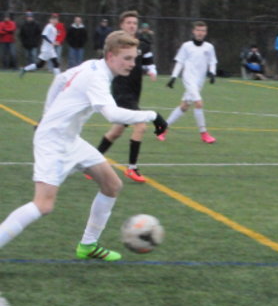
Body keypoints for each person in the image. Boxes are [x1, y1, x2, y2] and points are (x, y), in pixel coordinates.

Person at [0, 31, 167, 261]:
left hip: (70, 140)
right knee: (43, 205)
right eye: (127, 58)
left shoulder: (93, 65)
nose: (132, 64)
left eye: (134, 58)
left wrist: (46, 114)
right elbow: (112, 114)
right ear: (111, 56)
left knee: (112, 185)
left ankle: (88, 246)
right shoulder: (97, 77)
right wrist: (153, 115)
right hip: (53, 142)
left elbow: (60, 80)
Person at [94, 10, 158, 183]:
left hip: (135, 91)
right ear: (121, 25)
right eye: (128, 23)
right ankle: (132, 168)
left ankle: (91, 163)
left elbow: (149, 61)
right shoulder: (116, 45)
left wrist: (151, 70)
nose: (132, 26)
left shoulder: (142, 44)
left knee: (116, 131)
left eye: (134, 23)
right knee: (141, 126)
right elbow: (101, 63)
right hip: (121, 91)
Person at [161, 21, 218, 143]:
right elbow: (180, 62)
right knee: (199, 103)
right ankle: (204, 134)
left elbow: (212, 62)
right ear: (193, 31)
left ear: (206, 32)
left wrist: (212, 73)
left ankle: (162, 128)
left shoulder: (209, 47)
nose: (200, 33)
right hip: (188, 78)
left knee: (184, 106)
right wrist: (174, 77)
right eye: (198, 30)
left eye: (202, 31)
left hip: (199, 81)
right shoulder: (186, 46)